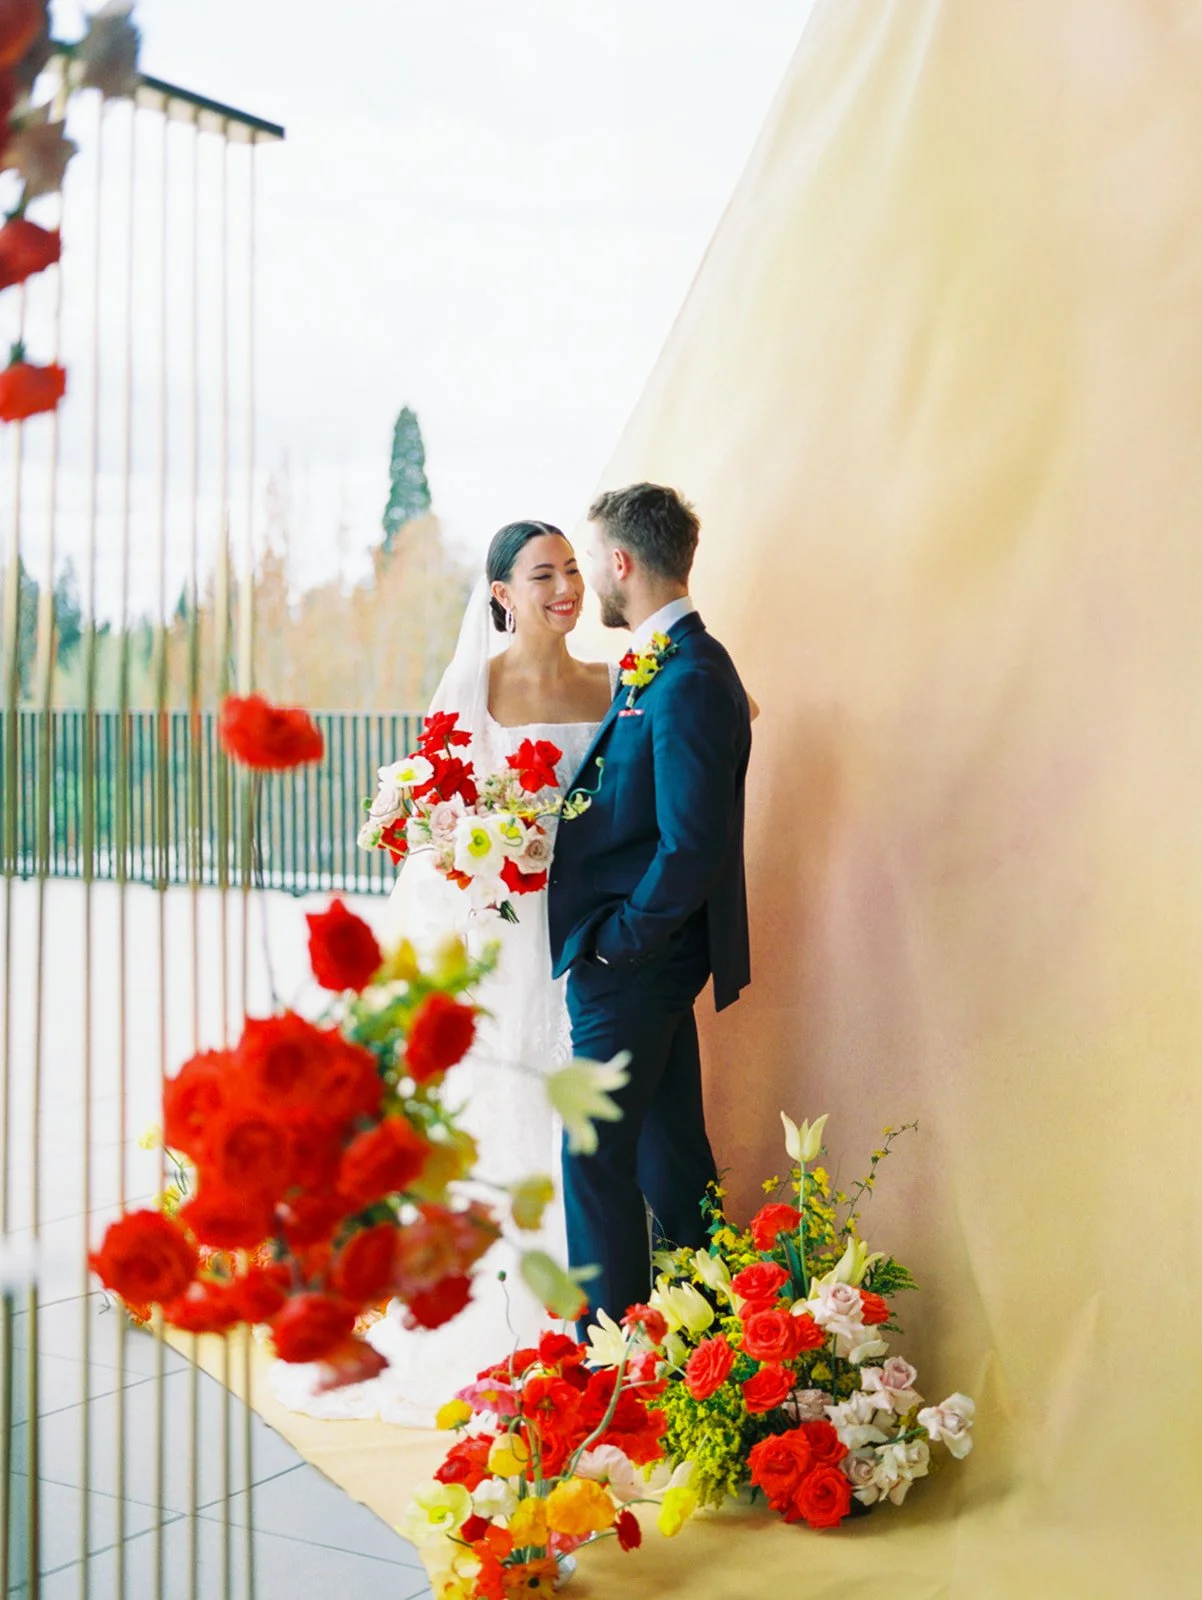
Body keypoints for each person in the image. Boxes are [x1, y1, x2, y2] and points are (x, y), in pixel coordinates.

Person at [270, 520, 617, 1424]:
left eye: (573, 570)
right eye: (544, 575)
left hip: (593, 924)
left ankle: (602, 1314)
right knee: (505, 1101)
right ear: (501, 593)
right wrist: (483, 856)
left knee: (585, 1105)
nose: (565, 588)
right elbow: (435, 827)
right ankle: (500, 1317)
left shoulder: (614, 681)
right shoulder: (476, 688)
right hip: (503, 931)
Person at [548, 483, 752, 1332]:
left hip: (637, 962)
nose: (590, 575)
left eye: (591, 558)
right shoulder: (672, 664)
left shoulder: (692, 675)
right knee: (672, 1160)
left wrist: (618, 943)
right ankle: (719, 1335)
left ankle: (611, 1358)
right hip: (649, 960)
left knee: (592, 1156)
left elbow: (692, 844)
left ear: (620, 563)